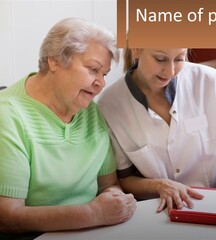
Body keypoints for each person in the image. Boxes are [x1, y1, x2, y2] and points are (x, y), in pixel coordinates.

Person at [97, 47, 216, 214]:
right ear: (137, 49)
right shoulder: (110, 104)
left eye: (180, 58)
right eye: (160, 59)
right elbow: (125, 179)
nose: (171, 71)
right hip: (158, 210)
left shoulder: (208, 80)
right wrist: (160, 186)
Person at [0, 18, 136, 240]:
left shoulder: (90, 111)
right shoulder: (7, 115)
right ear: (54, 60)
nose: (101, 83)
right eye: (93, 69)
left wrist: (114, 200)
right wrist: (93, 213)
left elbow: (109, 185)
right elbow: (8, 218)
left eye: (104, 74)